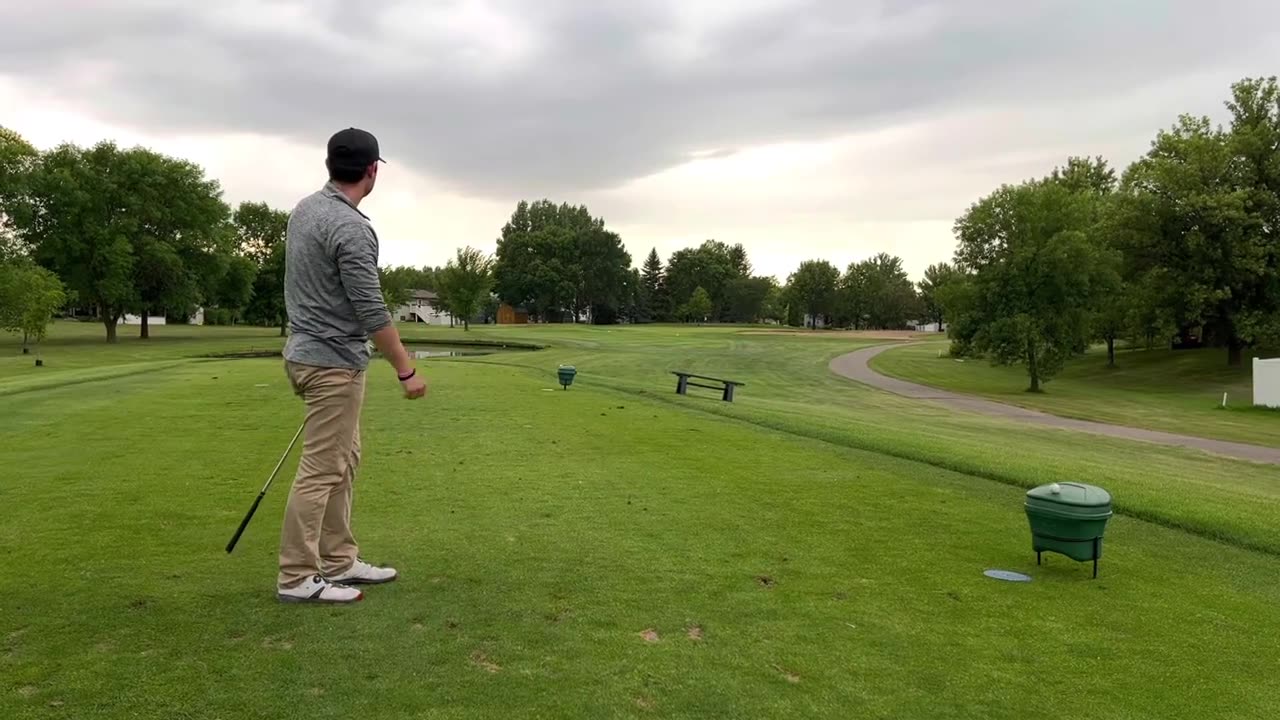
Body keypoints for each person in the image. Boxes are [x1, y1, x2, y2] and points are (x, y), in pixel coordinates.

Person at [275, 127, 427, 604]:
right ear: (372, 170)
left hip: (306, 355)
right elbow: (371, 310)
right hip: (332, 364)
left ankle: (339, 558)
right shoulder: (352, 228)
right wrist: (406, 369)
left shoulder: (304, 210)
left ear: (328, 166)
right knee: (322, 469)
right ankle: (298, 576)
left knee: (344, 459)